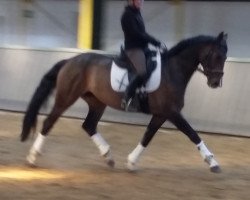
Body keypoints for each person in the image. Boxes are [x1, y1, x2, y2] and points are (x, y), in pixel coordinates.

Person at [120, 0, 165, 110]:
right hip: (133, 49)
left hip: (143, 48)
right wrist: (156, 42)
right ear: (131, 1)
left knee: (157, 62)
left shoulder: (137, 13)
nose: (141, 1)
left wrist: (157, 43)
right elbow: (137, 34)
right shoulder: (127, 16)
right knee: (142, 72)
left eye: (141, 0)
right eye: (138, 0)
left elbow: (144, 33)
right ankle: (126, 98)